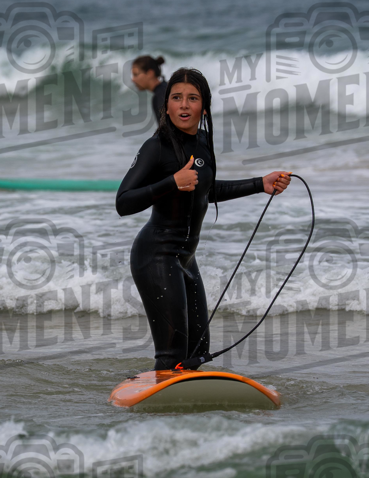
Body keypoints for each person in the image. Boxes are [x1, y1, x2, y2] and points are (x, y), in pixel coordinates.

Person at [116, 67, 291, 371]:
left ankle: (188, 414)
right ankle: (160, 413)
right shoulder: (155, 148)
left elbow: (205, 190)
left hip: (185, 260)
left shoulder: (203, 143)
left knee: (195, 354)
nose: (184, 105)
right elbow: (123, 202)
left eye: (192, 98)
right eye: (177, 98)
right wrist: (171, 182)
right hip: (155, 256)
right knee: (172, 356)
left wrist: (259, 183)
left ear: (204, 107)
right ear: (166, 106)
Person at [130, 54, 167, 124]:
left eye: (136, 75)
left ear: (150, 73)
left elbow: (168, 130)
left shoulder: (161, 95)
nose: (133, 79)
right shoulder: (165, 88)